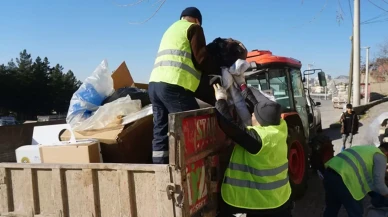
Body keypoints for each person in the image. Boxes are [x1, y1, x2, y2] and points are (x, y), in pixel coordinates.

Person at [148, 7, 221, 164]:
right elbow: (201, 58)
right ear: (197, 20)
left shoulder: (171, 29)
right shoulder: (194, 28)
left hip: (154, 86)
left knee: (160, 130)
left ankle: (160, 169)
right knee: (190, 128)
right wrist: (217, 70)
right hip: (174, 85)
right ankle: (191, 169)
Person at [213, 82, 293, 217]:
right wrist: (243, 87)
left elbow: (230, 127)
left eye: (254, 116)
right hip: (281, 198)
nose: (252, 116)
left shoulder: (259, 140)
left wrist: (221, 100)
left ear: (260, 122)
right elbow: (258, 107)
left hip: (261, 204)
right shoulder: (279, 127)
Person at [323, 145, 388, 217]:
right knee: (355, 213)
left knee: (332, 208)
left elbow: (371, 182)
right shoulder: (380, 157)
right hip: (345, 179)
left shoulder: (367, 149)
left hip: (329, 173)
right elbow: (379, 184)